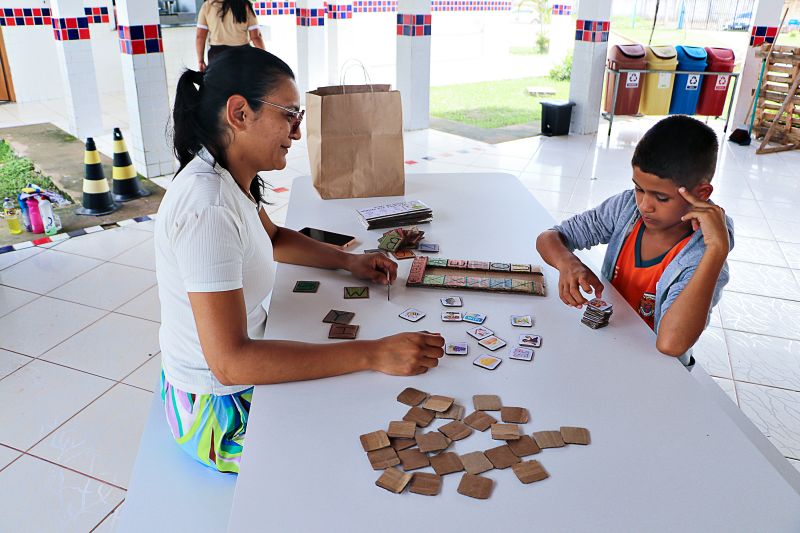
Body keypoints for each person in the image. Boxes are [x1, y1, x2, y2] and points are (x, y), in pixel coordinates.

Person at [156, 47, 444, 474]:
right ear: (240, 113)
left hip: (233, 377)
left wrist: (349, 263)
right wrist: (373, 354)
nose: (296, 131)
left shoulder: (227, 176)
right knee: (350, 455)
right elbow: (231, 364)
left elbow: (272, 238)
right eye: (289, 114)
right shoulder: (208, 209)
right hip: (216, 413)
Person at [536, 115, 734, 366]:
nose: (644, 205)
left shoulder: (704, 256)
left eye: (661, 198)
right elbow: (549, 238)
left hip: (656, 369)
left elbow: (671, 344)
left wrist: (717, 250)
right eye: (639, 188)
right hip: (608, 347)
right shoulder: (626, 208)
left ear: (701, 194)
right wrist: (567, 263)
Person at [196, 0, 265, 71]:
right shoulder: (245, 5)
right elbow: (256, 37)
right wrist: (266, 57)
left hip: (216, 56)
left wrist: (200, 61)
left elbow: (200, 36)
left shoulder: (207, 6)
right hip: (243, 55)